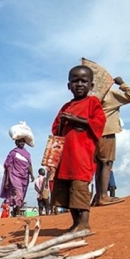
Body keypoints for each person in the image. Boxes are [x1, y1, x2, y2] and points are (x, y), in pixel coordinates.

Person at [50, 65, 106, 232]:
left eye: (84, 81)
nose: (79, 84)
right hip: (65, 157)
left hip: (82, 154)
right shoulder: (66, 106)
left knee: (79, 187)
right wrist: (64, 122)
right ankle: (75, 222)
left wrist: (79, 120)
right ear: (69, 85)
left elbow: (99, 122)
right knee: (66, 189)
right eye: (75, 81)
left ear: (91, 85)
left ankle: (84, 223)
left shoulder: (92, 102)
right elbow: (55, 128)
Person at [92, 76, 130, 206]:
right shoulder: (111, 95)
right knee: (107, 164)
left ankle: (99, 195)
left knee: (99, 165)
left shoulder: (92, 97)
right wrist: (122, 83)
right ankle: (103, 196)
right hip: (107, 131)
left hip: (94, 133)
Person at [0, 138, 34, 217]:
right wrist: (7, 180)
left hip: (25, 177)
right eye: (20, 141)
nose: (21, 143)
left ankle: (15, 210)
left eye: (23, 142)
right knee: (19, 194)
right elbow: (8, 166)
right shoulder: (13, 153)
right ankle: (18, 212)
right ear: (16, 142)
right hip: (14, 176)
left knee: (22, 194)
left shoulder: (27, 154)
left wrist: (31, 174)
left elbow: (29, 165)